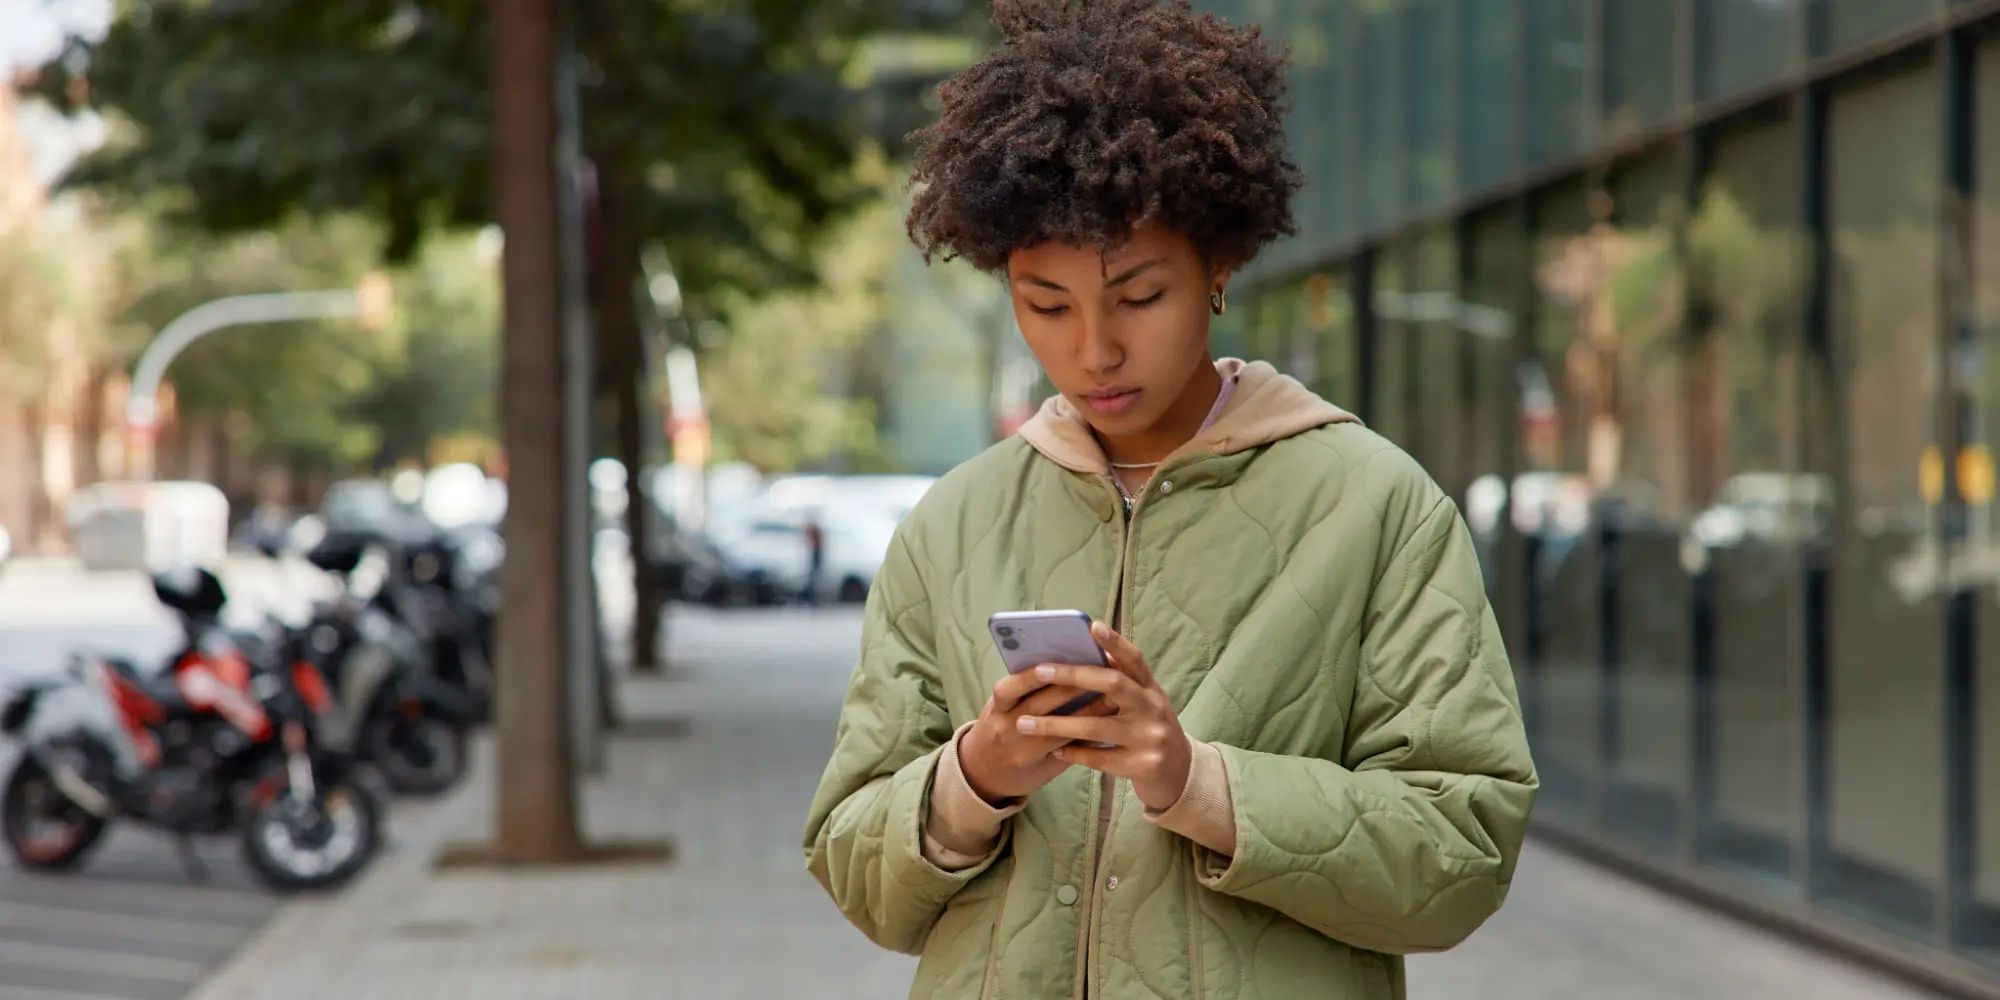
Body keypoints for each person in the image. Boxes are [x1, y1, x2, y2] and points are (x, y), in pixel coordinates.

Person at [802, 2, 1538, 998]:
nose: (1091, 350)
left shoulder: (1374, 506)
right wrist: (973, 774)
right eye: (1044, 305)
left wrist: (1195, 782)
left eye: (1138, 296)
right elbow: (853, 867)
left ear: (1219, 265)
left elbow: (1463, 851)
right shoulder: (953, 522)